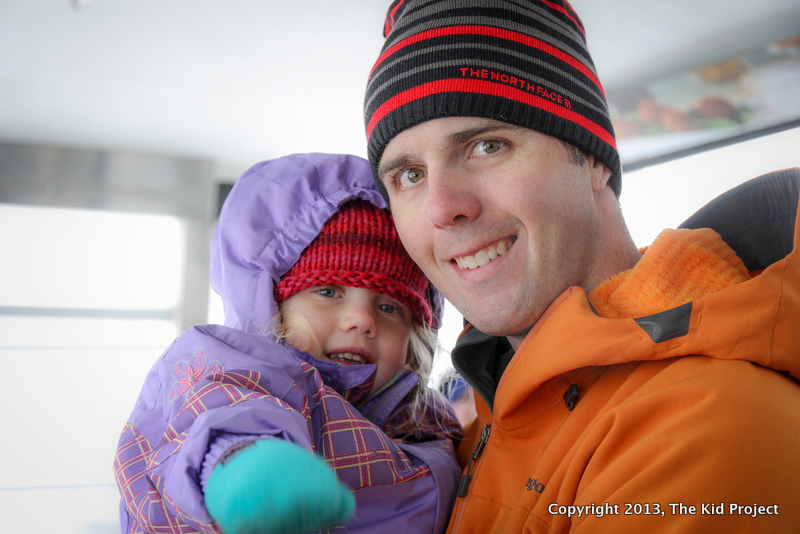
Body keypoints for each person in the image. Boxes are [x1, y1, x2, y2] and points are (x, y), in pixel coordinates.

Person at [362, 0, 800, 531]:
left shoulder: (702, 420)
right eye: (408, 176)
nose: (441, 208)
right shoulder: (485, 417)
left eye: (487, 145)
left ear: (591, 157)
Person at [114, 153, 462, 534]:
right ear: (272, 304)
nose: (362, 320)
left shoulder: (426, 421)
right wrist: (248, 467)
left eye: (389, 306)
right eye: (328, 291)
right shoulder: (247, 375)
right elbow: (221, 420)